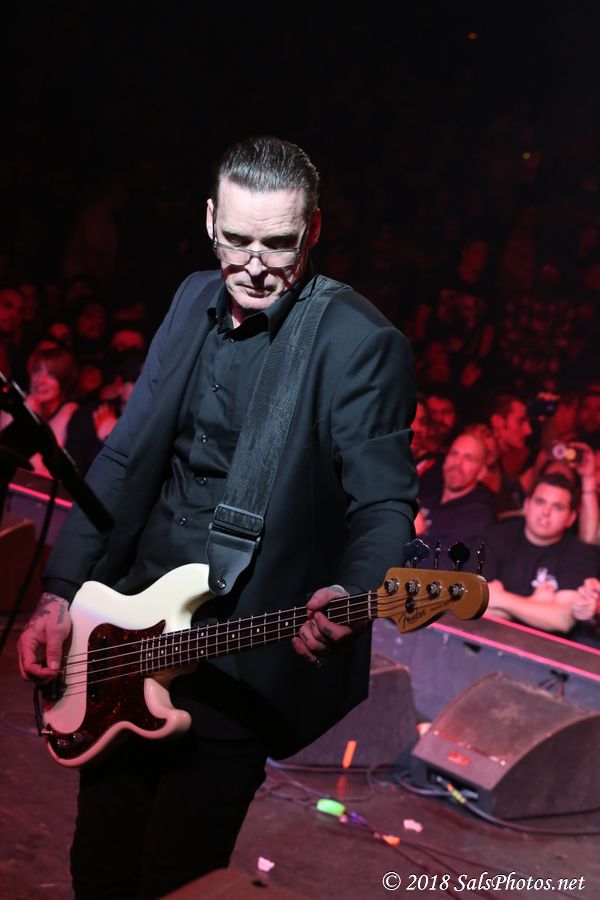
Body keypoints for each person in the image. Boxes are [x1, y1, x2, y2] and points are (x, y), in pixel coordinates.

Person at [17, 136, 418, 899]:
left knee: (177, 880)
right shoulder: (191, 299)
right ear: (209, 220)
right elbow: (125, 457)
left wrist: (354, 595)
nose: (255, 265)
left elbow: (384, 502)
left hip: (237, 653)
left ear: (314, 229)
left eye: (279, 244)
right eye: (236, 240)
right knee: (97, 866)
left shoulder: (358, 343)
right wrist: (60, 592)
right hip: (127, 627)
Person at [484, 473, 599, 633]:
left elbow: (562, 620)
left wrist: (498, 598)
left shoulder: (581, 554)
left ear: (571, 518)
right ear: (526, 505)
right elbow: (471, 602)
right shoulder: (496, 536)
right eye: (540, 502)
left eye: (557, 507)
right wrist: (534, 603)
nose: (546, 512)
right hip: (485, 636)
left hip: (544, 647)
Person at [416, 431, 496, 570]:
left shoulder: (478, 514)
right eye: (454, 454)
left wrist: (417, 533)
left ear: (481, 472)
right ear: (445, 460)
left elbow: (445, 567)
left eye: (468, 458)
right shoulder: (428, 497)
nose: (458, 463)